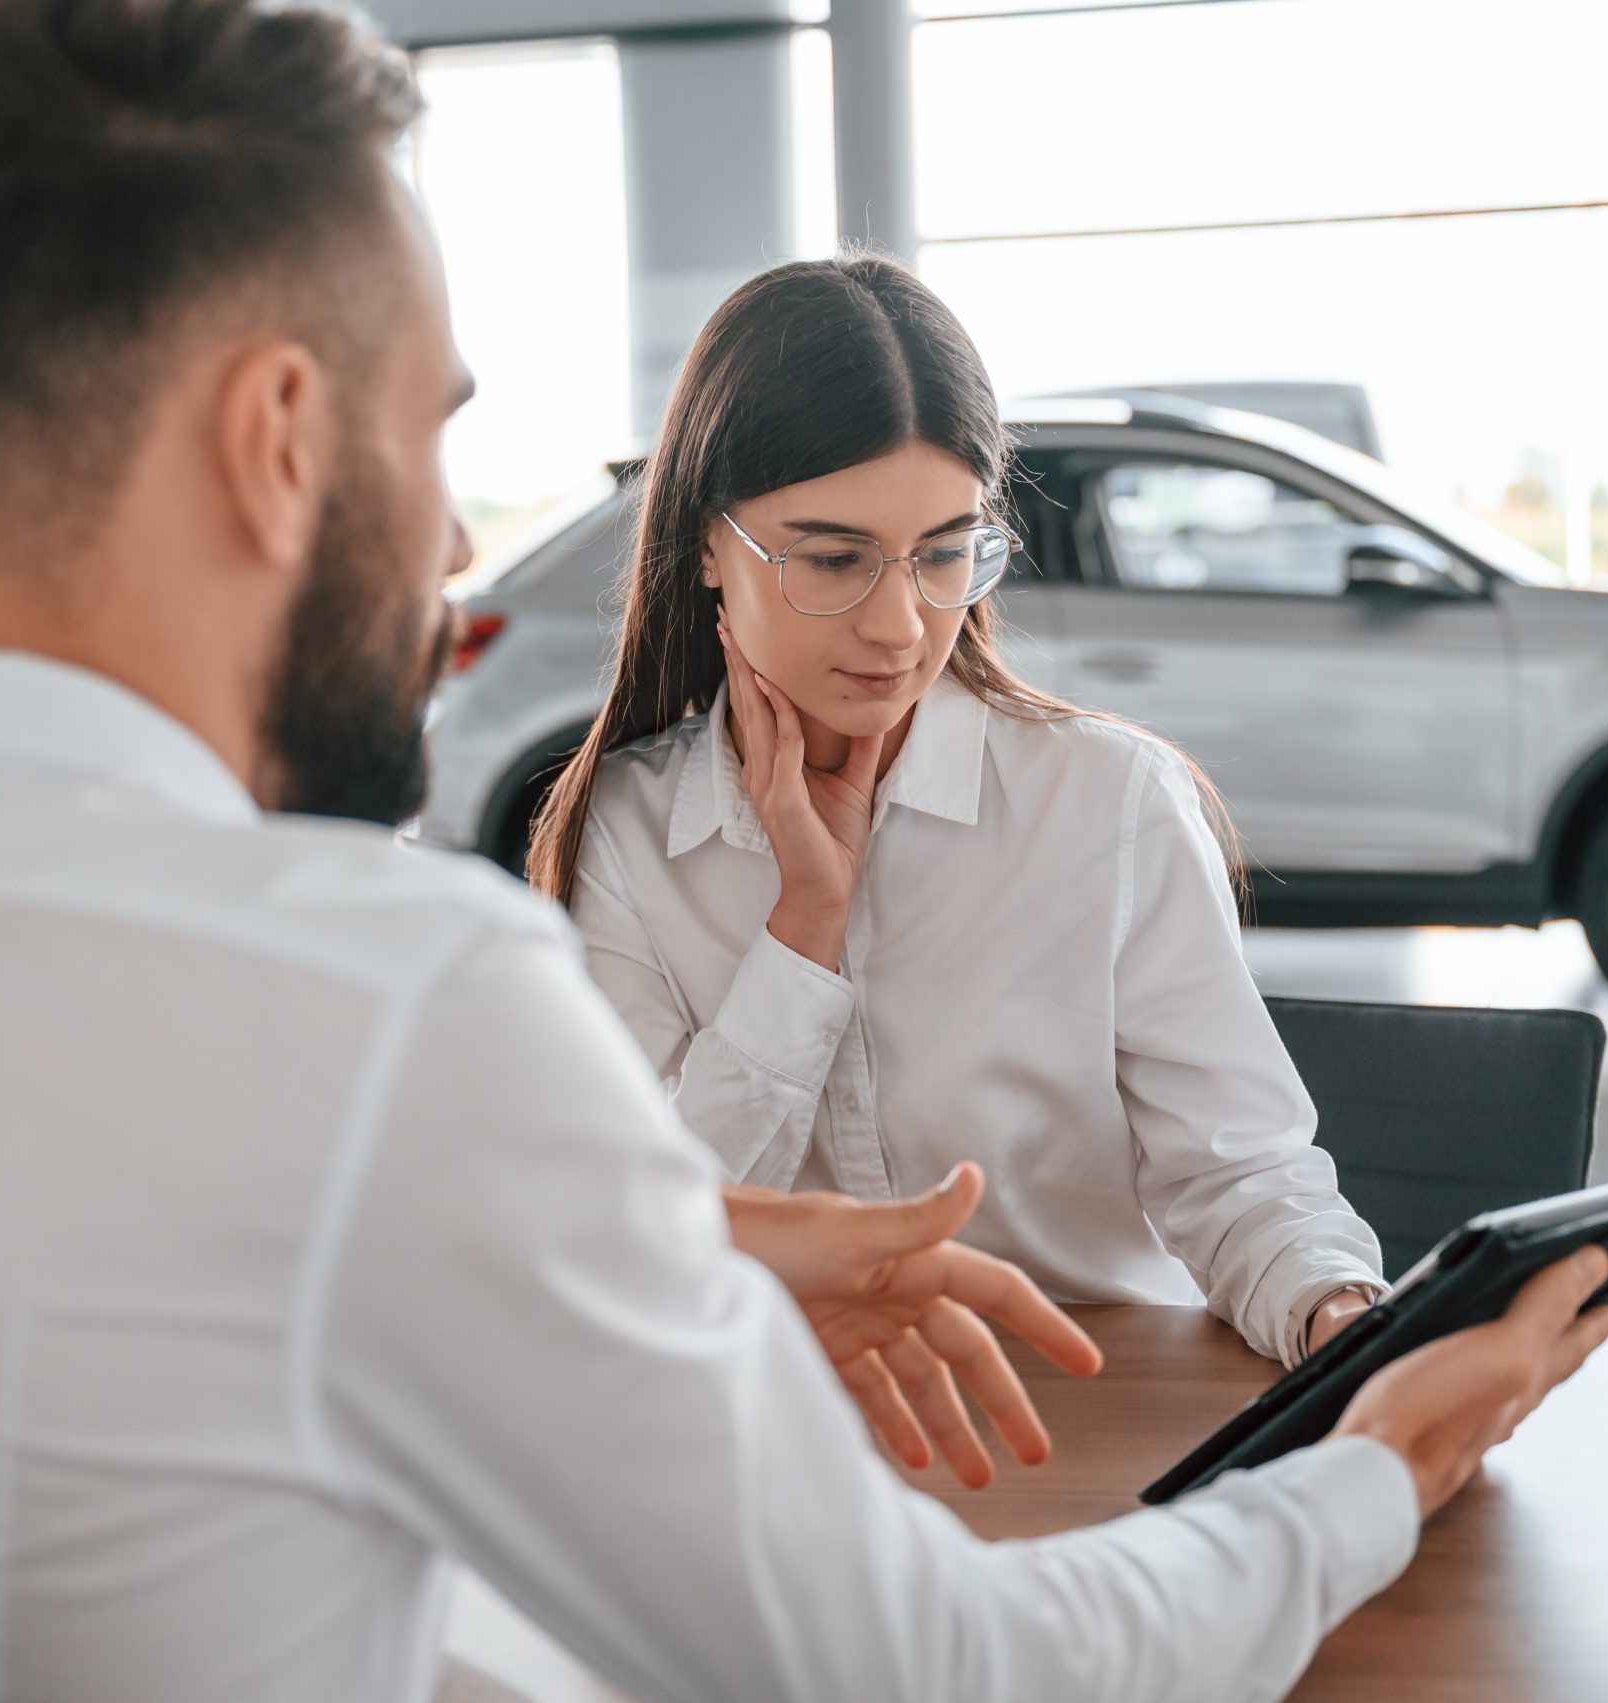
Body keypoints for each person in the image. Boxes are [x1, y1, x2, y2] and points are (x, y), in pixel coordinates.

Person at [0, 2, 1608, 1700]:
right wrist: (1371, 1467)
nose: (456, 550)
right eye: (433, 436)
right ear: (279, 439)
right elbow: (932, 1671)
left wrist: (689, 1234)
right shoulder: (375, 1001)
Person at [531, 256, 1386, 1366]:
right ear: (706, 544)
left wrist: (1339, 1315)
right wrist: (804, 926)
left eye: (943, 553)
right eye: (832, 558)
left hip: (1085, 1406)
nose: (899, 625)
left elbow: (1239, 1176)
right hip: (788, 1419)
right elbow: (648, 1238)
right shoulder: (628, 834)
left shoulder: (1108, 803)